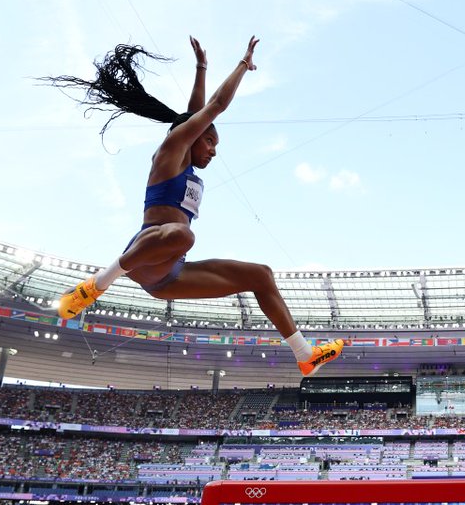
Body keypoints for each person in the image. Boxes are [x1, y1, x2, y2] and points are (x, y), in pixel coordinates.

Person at [41, 36, 344, 377]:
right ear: (191, 135)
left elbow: (195, 114)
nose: (213, 150)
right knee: (182, 235)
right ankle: (94, 285)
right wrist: (243, 65)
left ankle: (305, 355)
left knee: (260, 275)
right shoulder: (170, 151)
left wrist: (201, 67)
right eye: (210, 141)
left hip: (171, 273)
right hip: (147, 255)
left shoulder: (186, 162)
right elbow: (213, 107)